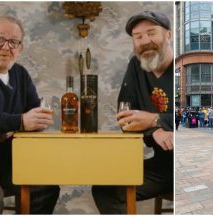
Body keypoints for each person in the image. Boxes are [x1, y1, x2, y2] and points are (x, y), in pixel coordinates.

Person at [91, 11, 174, 214]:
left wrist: (155, 119)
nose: (145, 41)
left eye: (151, 33)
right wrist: (153, 130)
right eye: (138, 37)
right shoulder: (135, 66)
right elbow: (125, 117)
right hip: (162, 166)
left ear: (168, 36)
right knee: (105, 189)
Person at [0, 16, 60, 214]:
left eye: (14, 42)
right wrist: (19, 121)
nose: (6, 47)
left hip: (5, 161)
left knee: (45, 187)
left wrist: (38, 120)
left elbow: (33, 112)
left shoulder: (21, 74)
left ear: (20, 48)